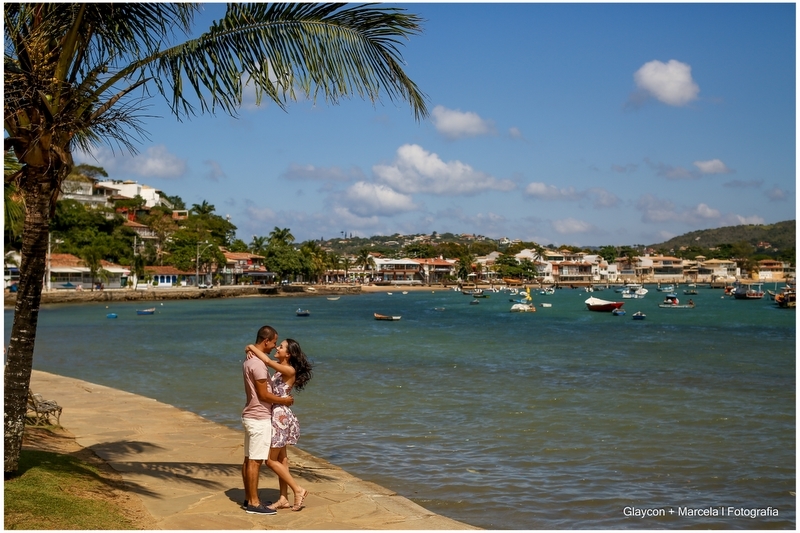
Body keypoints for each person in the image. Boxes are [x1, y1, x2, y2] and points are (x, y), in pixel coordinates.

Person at [246, 338, 313, 511]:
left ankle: (298, 490)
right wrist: (249, 349)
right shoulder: (280, 366)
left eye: (281, 347)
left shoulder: (288, 369)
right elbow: (265, 361)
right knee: (282, 459)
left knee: (270, 460)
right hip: (277, 414)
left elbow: (266, 361)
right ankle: (283, 498)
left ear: (288, 354)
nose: (277, 347)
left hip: (280, 417)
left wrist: (252, 346)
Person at [241, 325, 294, 515]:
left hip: (250, 415)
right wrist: (284, 401)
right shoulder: (258, 364)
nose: (274, 346)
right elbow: (264, 395)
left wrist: (250, 347)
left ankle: (249, 499)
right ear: (266, 341)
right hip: (259, 417)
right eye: (274, 342)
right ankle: (254, 504)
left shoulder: (250, 361)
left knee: (248, 459)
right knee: (255, 461)